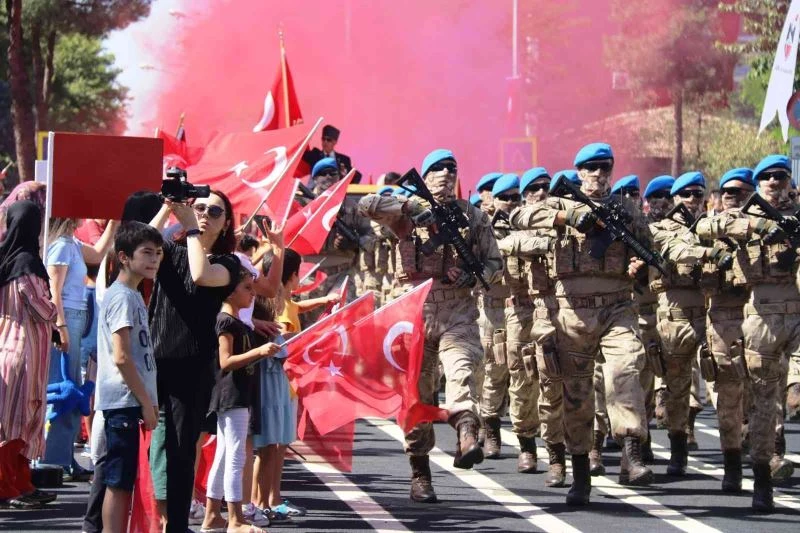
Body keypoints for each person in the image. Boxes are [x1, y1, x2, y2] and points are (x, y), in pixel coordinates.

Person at [510, 142, 653, 505]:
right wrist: (566, 218)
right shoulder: (559, 204)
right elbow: (519, 219)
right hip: (571, 312)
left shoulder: (626, 208)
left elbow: (648, 250)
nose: (597, 175)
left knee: (625, 370)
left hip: (618, 307)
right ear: (579, 171)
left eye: (604, 169)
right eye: (590, 169)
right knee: (576, 397)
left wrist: (640, 267)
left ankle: (632, 449)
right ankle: (580, 474)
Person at [359, 148, 503, 503]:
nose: (446, 173)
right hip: (416, 313)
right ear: (425, 176)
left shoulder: (473, 217)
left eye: (451, 168)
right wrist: (410, 208)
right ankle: (420, 473)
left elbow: (494, 261)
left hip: (457, 310)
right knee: (418, 397)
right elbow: (366, 206)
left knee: (462, 371)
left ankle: (467, 432)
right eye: (437, 168)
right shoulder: (406, 214)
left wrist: (471, 274)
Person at [695, 154, 800, 511]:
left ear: (789, 180)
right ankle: (761, 478)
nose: (773, 182)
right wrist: (755, 228)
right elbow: (705, 230)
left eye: (780, 176)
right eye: (766, 177)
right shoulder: (743, 216)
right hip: (761, 315)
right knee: (761, 402)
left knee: (790, 388)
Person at [148, 191, 241, 532]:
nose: (204, 214)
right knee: (132, 444)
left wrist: (190, 231)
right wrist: (166, 208)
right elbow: (138, 241)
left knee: (181, 449)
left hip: (192, 368)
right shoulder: (169, 249)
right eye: (198, 208)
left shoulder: (229, 263)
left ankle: (176, 525)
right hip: (152, 360)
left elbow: (201, 275)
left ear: (226, 223)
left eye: (214, 211)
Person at [650, 172, 729, 476]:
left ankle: (735, 447)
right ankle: (678, 445)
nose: (693, 200)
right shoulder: (660, 229)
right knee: (677, 384)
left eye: (698, 195)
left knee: (725, 377)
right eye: (687, 195)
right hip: (677, 311)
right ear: (676, 199)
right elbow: (673, 251)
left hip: (713, 308)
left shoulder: (715, 225)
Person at [88, 221, 163, 533]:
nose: (154, 259)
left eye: (158, 253)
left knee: (123, 481)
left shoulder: (132, 295)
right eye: (146, 253)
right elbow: (121, 356)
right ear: (124, 257)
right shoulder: (122, 296)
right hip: (124, 402)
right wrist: (146, 402)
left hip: (130, 401)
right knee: (118, 483)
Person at [201, 268, 280, 533]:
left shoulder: (238, 321)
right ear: (230, 290)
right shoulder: (225, 321)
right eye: (247, 287)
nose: (253, 292)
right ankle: (235, 519)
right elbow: (225, 361)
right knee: (235, 457)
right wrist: (259, 350)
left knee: (224, 456)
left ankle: (212, 516)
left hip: (239, 394)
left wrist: (261, 353)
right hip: (231, 395)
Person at [695, 167, 754, 493]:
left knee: (763, 395)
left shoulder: (768, 226)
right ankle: (732, 464)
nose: (737, 198)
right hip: (723, 318)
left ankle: (768, 456)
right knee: (729, 397)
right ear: (718, 198)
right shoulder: (709, 225)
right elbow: (704, 227)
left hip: (761, 313)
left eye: (744, 193)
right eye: (730, 193)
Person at [44, 217, 117, 480]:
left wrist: (114, 221)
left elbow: (98, 253)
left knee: (73, 387)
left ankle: (62, 457)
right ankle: (54, 459)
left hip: (77, 316)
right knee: (66, 389)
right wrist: (61, 326)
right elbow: (54, 291)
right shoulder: (61, 246)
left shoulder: (71, 243)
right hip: (68, 317)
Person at [0, 201, 57, 509]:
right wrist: (57, 310)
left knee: (18, 422)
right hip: (25, 352)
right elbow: (40, 306)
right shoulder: (25, 263)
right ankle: (11, 487)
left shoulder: (7, 260)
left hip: (12, 348)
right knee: (19, 423)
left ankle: (22, 483)